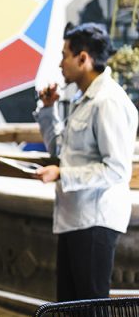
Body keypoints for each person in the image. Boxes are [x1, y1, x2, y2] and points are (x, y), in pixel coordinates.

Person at [35, 22, 138, 302]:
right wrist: (47, 111)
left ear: (83, 58)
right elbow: (62, 150)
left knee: (92, 315)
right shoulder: (84, 99)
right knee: (71, 311)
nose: (60, 64)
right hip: (75, 218)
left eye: (64, 55)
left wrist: (62, 174)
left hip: (95, 221)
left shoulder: (108, 101)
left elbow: (116, 169)